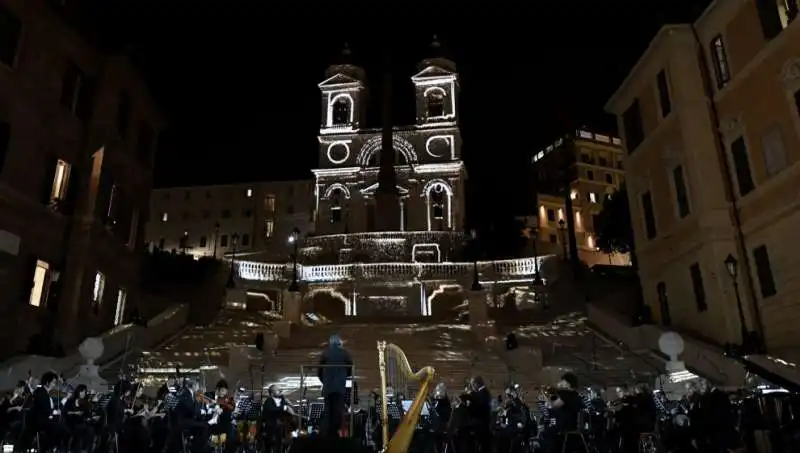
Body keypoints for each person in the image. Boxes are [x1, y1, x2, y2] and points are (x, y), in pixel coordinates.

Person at [317, 334, 352, 438]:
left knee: (328, 410)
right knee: (338, 411)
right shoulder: (344, 352)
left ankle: (326, 433)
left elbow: (319, 370)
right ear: (339, 342)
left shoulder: (325, 352)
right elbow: (350, 367)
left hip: (328, 386)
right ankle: (334, 432)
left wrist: (324, 381)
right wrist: (345, 376)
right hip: (339, 386)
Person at [543, 372, 583, 453]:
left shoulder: (568, 394)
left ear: (568, 383)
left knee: (547, 432)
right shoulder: (575, 394)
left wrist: (548, 396)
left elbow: (554, 405)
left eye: (563, 381)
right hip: (573, 423)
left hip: (567, 424)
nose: (561, 383)